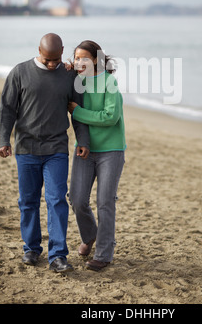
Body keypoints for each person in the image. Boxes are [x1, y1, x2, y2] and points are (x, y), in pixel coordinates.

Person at [0, 33, 89, 273]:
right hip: (26, 148)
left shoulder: (69, 75)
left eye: (56, 59)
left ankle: (58, 255)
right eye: (48, 59)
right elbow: (7, 109)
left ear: (62, 53)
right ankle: (31, 249)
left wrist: (83, 139)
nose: (52, 64)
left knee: (57, 199)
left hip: (56, 149)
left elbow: (77, 111)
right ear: (38, 50)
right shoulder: (20, 72)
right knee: (27, 201)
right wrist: (2, 139)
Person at [67, 40, 126, 271]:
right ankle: (90, 235)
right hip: (84, 148)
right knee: (77, 199)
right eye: (76, 57)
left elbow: (110, 117)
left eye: (84, 58)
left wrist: (78, 112)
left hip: (111, 150)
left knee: (104, 202)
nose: (79, 62)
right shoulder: (75, 80)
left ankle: (103, 254)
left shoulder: (109, 81)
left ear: (95, 60)